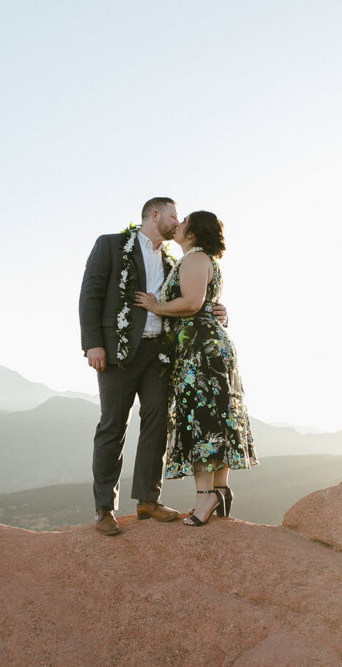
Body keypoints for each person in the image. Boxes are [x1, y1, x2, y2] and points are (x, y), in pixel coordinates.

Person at [79, 197, 227, 535]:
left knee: (158, 423)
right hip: (117, 352)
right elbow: (91, 293)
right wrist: (93, 343)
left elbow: (191, 297)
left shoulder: (174, 259)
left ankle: (148, 500)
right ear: (155, 214)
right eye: (174, 214)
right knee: (112, 426)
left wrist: (220, 310)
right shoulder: (113, 245)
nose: (178, 221)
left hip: (160, 355)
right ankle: (104, 508)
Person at [134, 211, 257, 526]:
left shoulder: (194, 259)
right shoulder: (198, 260)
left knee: (202, 418)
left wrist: (155, 306)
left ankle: (206, 498)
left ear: (194, 231)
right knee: (216, 416)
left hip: (200, 351)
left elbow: (191, 302)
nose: (178, 223)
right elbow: (203, 303)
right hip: (204, 347)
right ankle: (219, 489)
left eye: (184, 219)